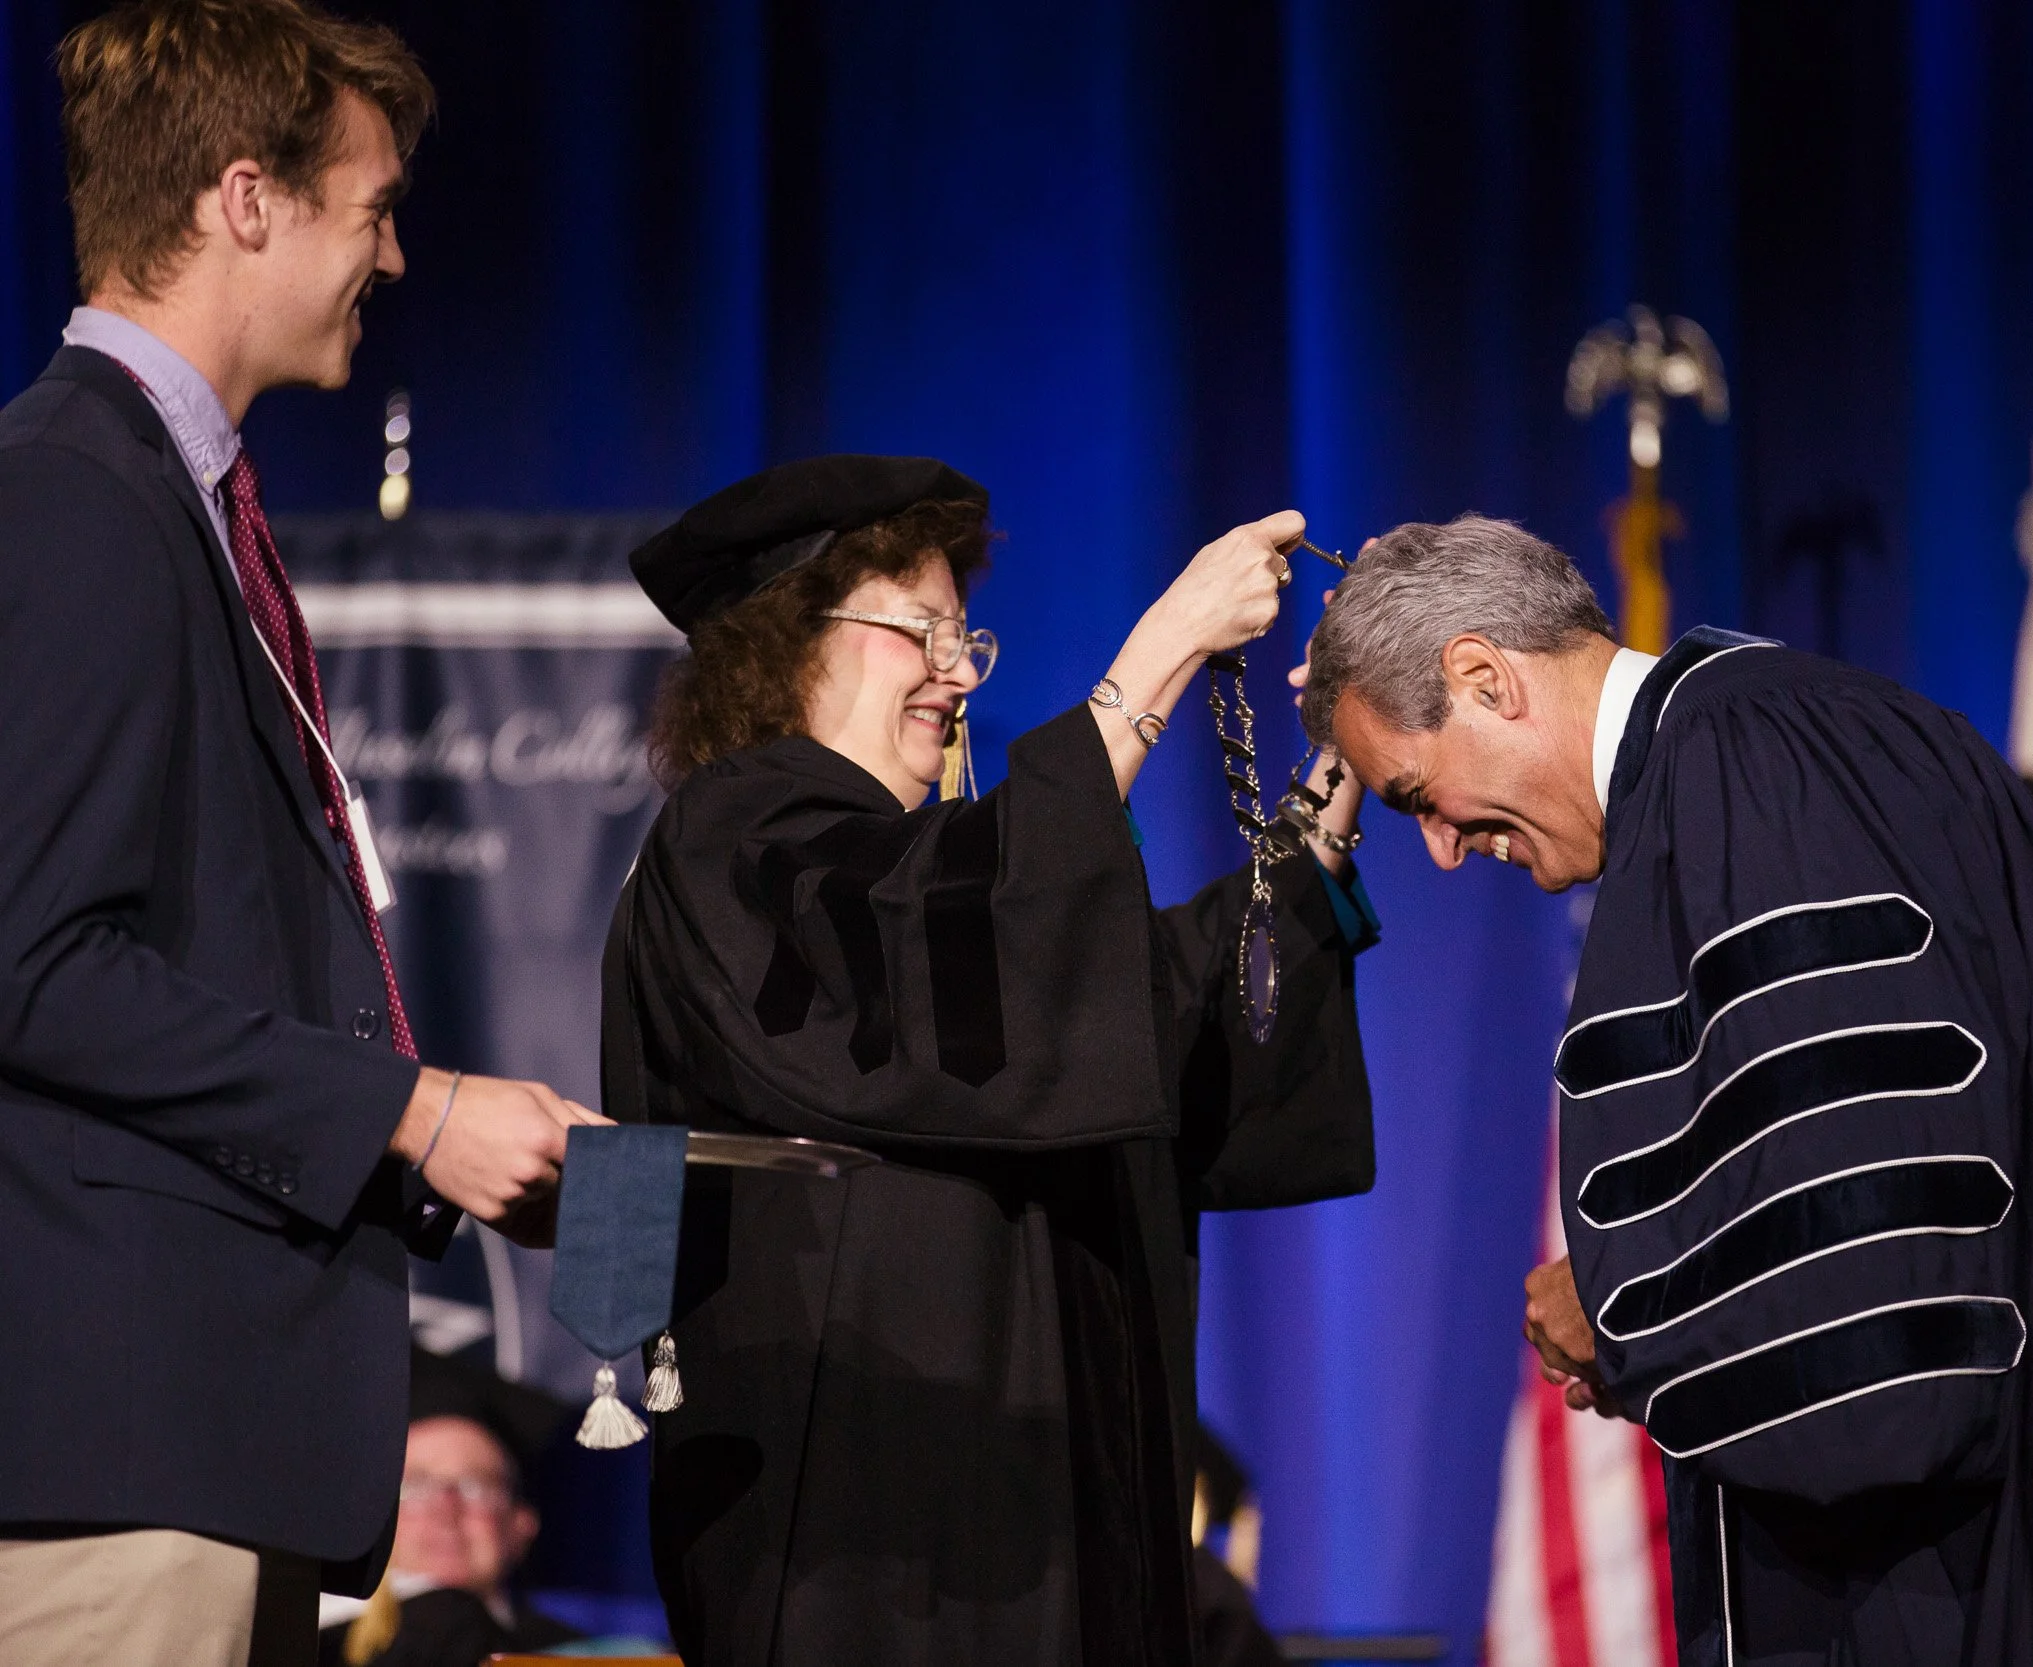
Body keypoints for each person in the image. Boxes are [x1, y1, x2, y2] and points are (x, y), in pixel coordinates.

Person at [1301, 515, 2033, 1666]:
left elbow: (1877, 1304)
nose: (1442, 849)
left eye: (1416, 793)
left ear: (1483, 676)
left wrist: (1627, 1321)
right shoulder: (1743, 750)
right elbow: (1829, 1161)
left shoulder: (1748, 765)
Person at [0, 6, 603, 1664]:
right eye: (374, 207)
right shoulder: (72, 493)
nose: (395, 256)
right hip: (117, 1465)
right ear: (245, 200)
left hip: (209, 1452)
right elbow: (32, 967)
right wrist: (412, 1111)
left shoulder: (167, 499)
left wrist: (446, 1136)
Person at [605, 456, 1379, 1664]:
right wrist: (1164, 646)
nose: (955, 672)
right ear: (780, 642)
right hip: (864, 1524)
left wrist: (1334, 782)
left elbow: (1142, 1022)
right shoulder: (730, 839)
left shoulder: (911, 887)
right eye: (918, 631)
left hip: (1030, 1501)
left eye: (967, 639)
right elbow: (933, 942)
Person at [317, 1351, 586, 1667]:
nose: (446, 1509)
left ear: (521, 1524)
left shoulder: (581, 1656)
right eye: (416, 1486)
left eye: (476, 1487)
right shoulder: (304, 1645)